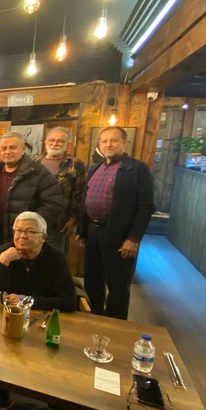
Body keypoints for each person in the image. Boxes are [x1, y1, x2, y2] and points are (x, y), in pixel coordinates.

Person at [77, 126, 155, 320]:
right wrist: (82, 230)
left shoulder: (137, 169)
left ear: (124, 143)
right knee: (92, 280)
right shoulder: (95, 168)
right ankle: (94, 318)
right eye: (104, 141)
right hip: (93, 231)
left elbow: (146, 207)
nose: (108, 144)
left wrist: (134, 239)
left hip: (119, 234)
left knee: (117, 285)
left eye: (114, 140)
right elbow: (85, 200)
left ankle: (114, 325)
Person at [0, 132, 62, 256]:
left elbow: (53, 204)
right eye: (4, 148)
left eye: (12, 147)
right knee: (0, 267)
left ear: (23, 149)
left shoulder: (38, 173)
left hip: (25, 238)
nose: (8, 152)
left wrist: (29, 226)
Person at [0, 212, 77, 312]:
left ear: (43, 237)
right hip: (10, 313)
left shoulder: (56, 258)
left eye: (30, 232)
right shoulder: (4, 252)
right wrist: (2, 263)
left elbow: (69, 302)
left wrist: (28, 301)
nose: (23, 236)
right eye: (19, 231)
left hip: (43, 314)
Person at [33, 127, 87, 253]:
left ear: (68, 144)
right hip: (34, 222)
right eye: (52, 140)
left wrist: (73, 220)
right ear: (46, 142)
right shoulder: (34, 161)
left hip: (59, 224)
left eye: (60, 141)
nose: (55, 143)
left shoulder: (77, 165)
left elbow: (81, 195)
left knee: (55, 259)